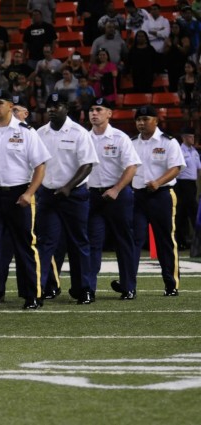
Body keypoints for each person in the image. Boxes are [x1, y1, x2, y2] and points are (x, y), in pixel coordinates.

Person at [0, 88, 50, 309]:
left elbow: (40, 166)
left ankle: (32, 294)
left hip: (19, 193)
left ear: (11, 106)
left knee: (25, 246)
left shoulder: (26, 132)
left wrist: (29, 193)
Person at [36, 92, 99, 304]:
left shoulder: (79, 132)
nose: (52, 110)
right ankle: (40, 288)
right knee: (46, 243)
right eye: (49, 106)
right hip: (47, 193)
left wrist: (68, 187)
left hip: (74, 194)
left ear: (67, 108)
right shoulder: (40, 133)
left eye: (57, 106)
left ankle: (84, 289)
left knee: (78, 242)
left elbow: (88, 163)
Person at [87, 98, 142, 300]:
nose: (94, 113)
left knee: (123, 241)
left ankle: (128, 287)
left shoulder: (120, 137)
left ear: (109, 113)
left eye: (99, 109)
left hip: (118, 195)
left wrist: (117, 189)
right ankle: (88, 288)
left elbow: (132, 166)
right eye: (91, 109)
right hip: (93, 194)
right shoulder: (84, 137)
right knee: (92, 242)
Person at [131, 105, 186, 296]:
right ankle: (129, 286)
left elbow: (177, 167)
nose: (141, 123)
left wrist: (158, 182)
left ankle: (171, 285)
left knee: (165, 241)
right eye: (138, 119)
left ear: (156, 120)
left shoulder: (168, 142)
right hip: (137, 196)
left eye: (145, 119)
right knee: (133, 240)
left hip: (162, 195)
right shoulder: (131, 143)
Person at [174, 127, 201, 250]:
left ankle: (185, 240)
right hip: (182, 184)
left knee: (183, 214)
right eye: (190, 137)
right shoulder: (179, 151)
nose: (192, 139)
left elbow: (198, 169)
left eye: (193, 137)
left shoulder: (194, 151)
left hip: (192, 184)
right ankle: (185, 240)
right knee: (189, 212)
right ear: (184, 137)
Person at [164, 21, 191, 92]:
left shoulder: (184, 38)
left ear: (180, 28)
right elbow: (165, 51)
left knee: (182, 83)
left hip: (181, 64)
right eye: (172, 28)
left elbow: (185, 52)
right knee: (172, 83)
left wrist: (177, 45)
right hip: (171, 64)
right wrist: (169, 46)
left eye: (176, 27)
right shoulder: (169, 38)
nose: (174, 29)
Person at [178, 60, 201, 130]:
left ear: (193, 68)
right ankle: (187, 135)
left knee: (195, 116)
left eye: (188, 67)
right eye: (185, 67)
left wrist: (195, 95)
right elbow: (179, 90)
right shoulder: (181, 79)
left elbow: (199, 90)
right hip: (185, 102)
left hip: (196, 102)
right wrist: (182, 94)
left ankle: (197, 138)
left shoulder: (198, 78)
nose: (187, 69)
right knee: (186, 115)